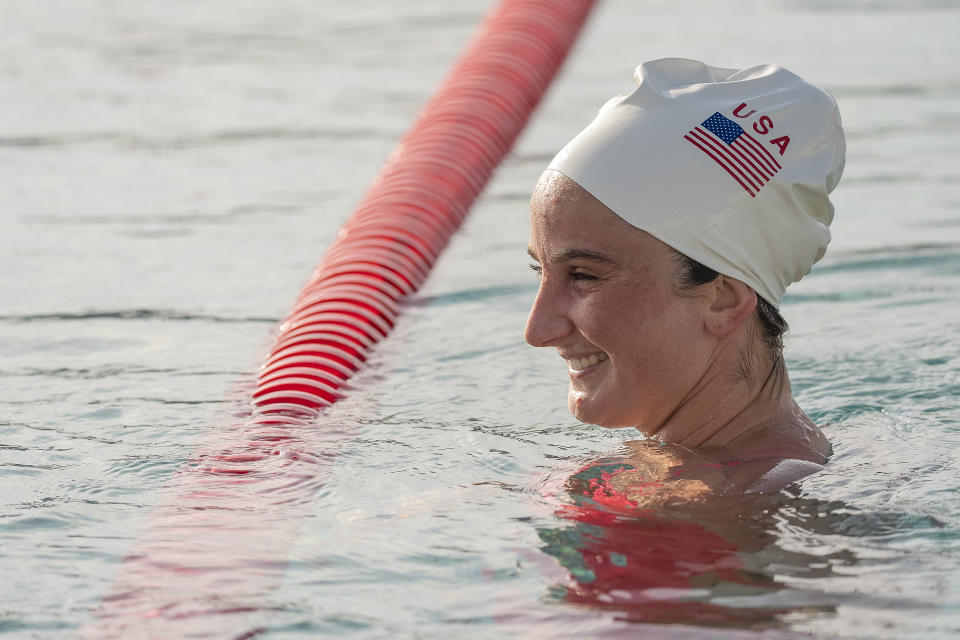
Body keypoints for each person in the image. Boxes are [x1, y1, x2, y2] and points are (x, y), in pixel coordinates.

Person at [525, 58, 845, 498]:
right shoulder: (712, 474)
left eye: (583, 276)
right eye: (539, 271)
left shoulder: (720, 511)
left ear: (723, 299)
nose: (538, 330)